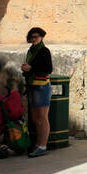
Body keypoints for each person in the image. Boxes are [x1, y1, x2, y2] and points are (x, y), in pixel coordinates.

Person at [22, 28, 53, 158]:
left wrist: (31, 68)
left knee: (42, 117)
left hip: (41, 86)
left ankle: (42, 146)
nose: (34, 39)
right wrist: (26, 69)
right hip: (33, 86)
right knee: (36, 119)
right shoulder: (31, 51)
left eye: (36, 36)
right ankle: (39, 144)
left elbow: (48, 69)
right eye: (32, 37)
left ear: (41, 37)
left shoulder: (44, 51)